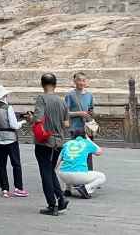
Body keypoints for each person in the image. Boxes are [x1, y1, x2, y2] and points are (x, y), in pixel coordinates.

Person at [29, 72, 69, 216]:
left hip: (45, 142)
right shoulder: (62, 101)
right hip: (59, 142)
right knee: (50, 171)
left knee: (45, 172)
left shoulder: (41, 99)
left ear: (42, 84)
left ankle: (52, 205)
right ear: (55, 84)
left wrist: (31, 118)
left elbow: (38, 119)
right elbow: (66, 123)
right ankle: (61, 199)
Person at [0, 85, 28, 198]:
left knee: (1, 166)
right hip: (10, 139)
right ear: (4, 96)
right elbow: (14, 125)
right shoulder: (8, 108)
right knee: (16, 164)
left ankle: (4, 189)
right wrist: (22, 122)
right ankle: (18, 188)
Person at [57, 129, 106, 199]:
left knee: (70, 164)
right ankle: (86, 188)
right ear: (85, 136)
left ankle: (68, 189)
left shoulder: (67, 143)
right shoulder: (86, 143)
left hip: (63, 175)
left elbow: (58, 160)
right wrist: (89, 139)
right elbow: (100, 152)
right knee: (102, 177)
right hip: (79, 175)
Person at [65, 72, 95, 169]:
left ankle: (89, 176)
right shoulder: (70, 95)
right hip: (75, 129)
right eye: (79, 80)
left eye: (83, 80)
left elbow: (91, 110)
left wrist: (90, 115)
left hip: (87, 129)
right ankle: (76, 177)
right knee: (76, 153)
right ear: (75, 81)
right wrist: (80, 113)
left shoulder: (89, 95)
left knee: (88, 153)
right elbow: (66, 113)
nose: (81, 83)